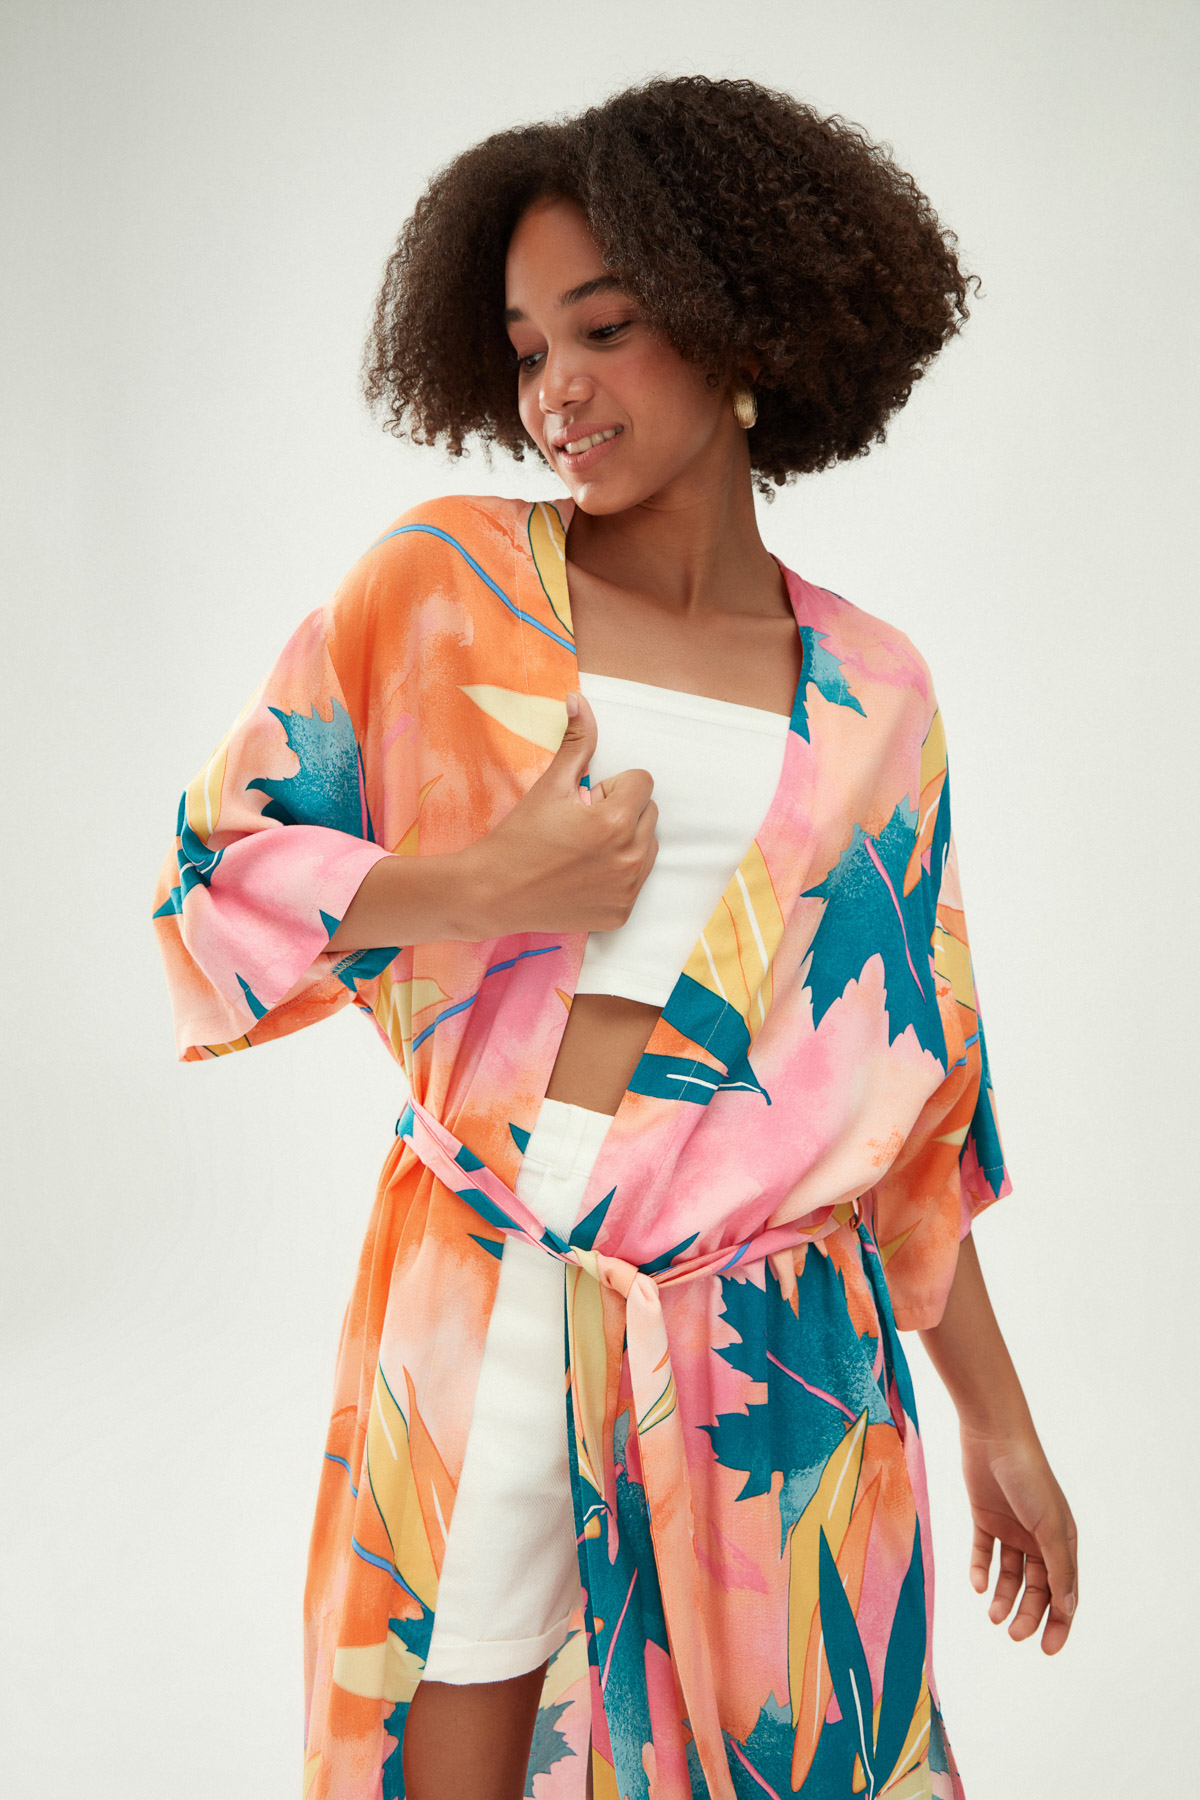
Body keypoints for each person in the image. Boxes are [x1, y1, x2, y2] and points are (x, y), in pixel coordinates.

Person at [152, 74, 1077, 1800]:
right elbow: (216, 878)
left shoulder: (880, 692)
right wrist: (486, 883)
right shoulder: (442, 587)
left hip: (775, 1350)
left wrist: (1000, 1422)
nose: (556, 393)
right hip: (490, 1296)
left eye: (605, 328)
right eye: (523, 351)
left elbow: (914, 1118)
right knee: (442, 1752)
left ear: (740, 325)